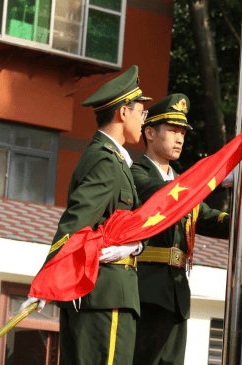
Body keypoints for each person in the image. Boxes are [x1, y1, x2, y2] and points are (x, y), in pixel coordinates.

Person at [20, 65, 152, 365]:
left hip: (103, 296)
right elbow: (75, 223)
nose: (143, 120)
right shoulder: (105, 162)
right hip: (103, 298)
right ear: (123, 113)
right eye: (141, 113)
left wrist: (135, 245)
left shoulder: (114, 159)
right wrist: (46, 279)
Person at [131, 93, 242, 365]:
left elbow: (205, 216)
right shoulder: (137, 174)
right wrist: (212, 179)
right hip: (147, 290)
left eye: (182, 132)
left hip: (176, 293)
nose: (180, 138)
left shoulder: (183, 185)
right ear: (150, 133)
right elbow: (168, 197)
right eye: (172, 130)